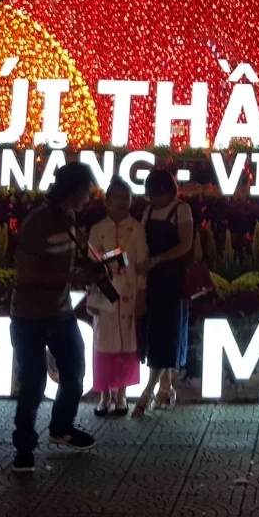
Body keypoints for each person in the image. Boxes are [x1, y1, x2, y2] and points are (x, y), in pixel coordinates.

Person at [10, 162, 100, 471]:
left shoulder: (69, 218)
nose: (89, 197)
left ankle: (61, 427)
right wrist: (74, 278)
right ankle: (24, 448)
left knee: (74, 372)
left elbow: (60, 266)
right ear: (74, 190)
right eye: (87, 190)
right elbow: (27, 273)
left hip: (60, 312)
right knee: (33, 383)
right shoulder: (39, 221)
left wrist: (84, 272)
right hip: (30, 315)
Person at [131, 169, 193, 419]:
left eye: (155, 195)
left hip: (171, 279)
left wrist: (156, 260)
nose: (152, 200)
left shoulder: (181, 210)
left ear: (168, 191)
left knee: (166, 335)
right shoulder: (148, 211)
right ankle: (166, 387)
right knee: (155, 332)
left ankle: (148, 393)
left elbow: (185, 244)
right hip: (150, 279)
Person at [87, 178, 147, 416]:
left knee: (126, 343)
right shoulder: (98, 229)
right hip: (104, 293)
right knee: (103, 342)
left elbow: (141, 265)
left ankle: (121, 394)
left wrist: (142, 293)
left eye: (127, 197)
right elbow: (91, 263)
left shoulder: (137, 229)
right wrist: (91, 296)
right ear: (107, 201)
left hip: (128, 294)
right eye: (118, 197)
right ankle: (104, 395)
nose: (123, 202)